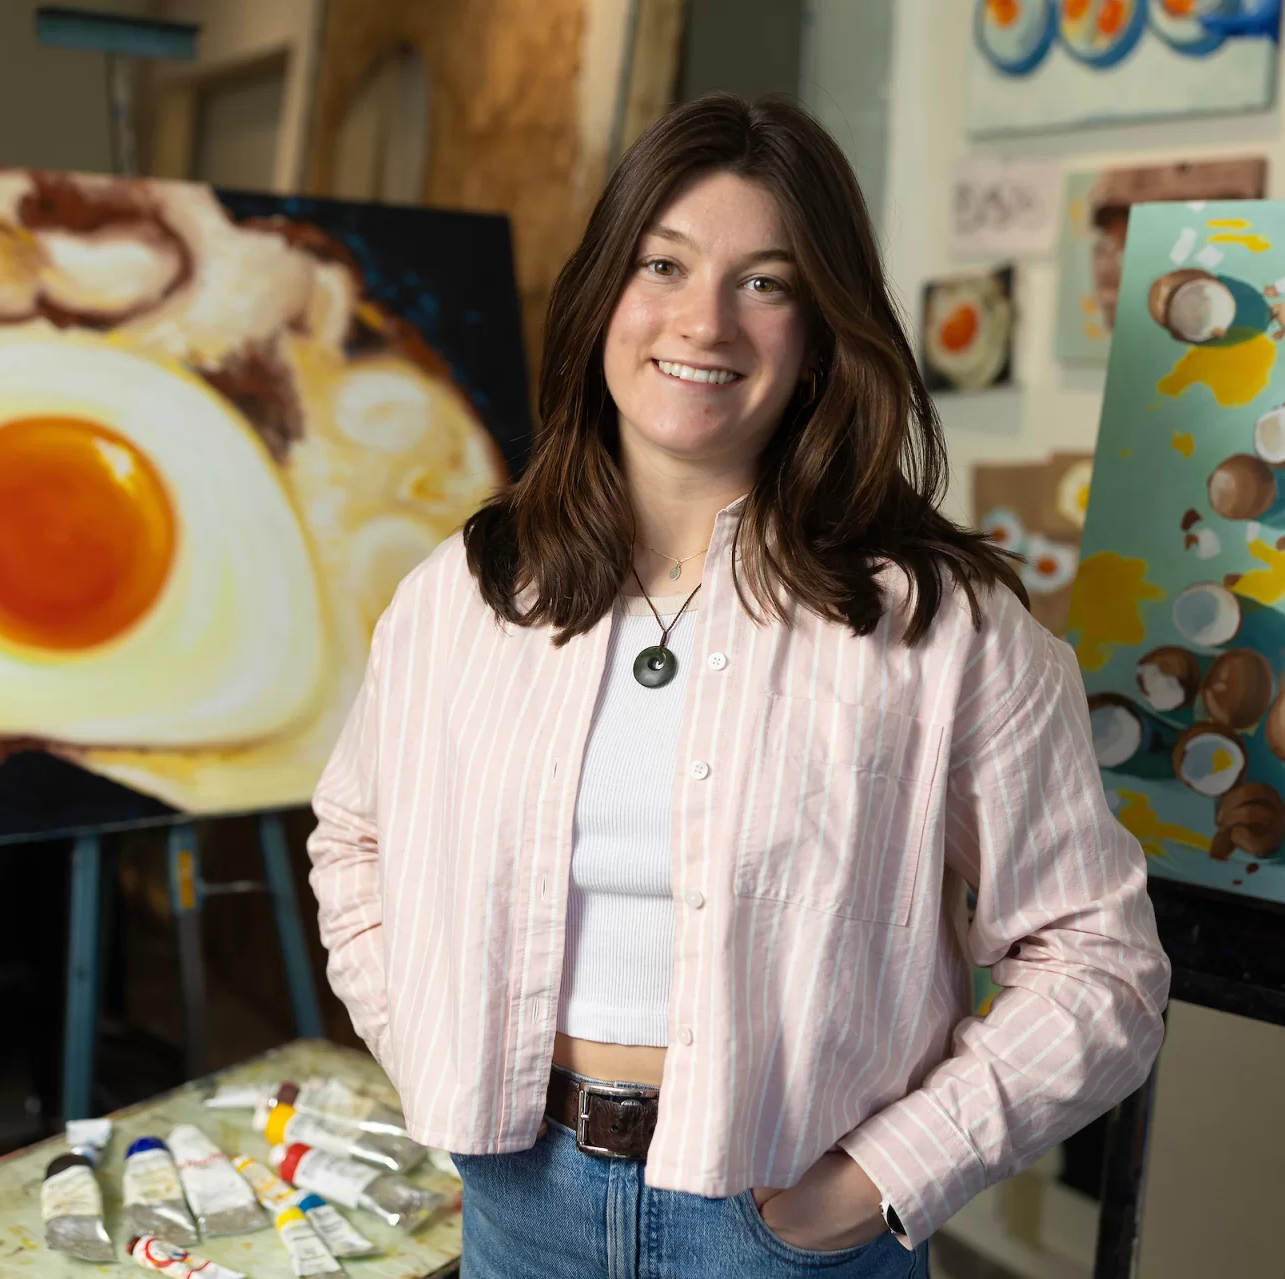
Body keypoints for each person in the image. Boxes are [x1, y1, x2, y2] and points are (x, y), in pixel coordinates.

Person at [307, 92, 1169, 1278]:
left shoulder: (941, 627)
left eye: (764, 282)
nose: (701, 321)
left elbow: (1098, 963)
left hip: (781, 1228)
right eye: (662, 263)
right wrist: (428, 1044)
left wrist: (876, 1181)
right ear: (603, 291)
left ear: (819, 331)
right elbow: (353, 838)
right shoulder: (465, 593)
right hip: (518, 1203)